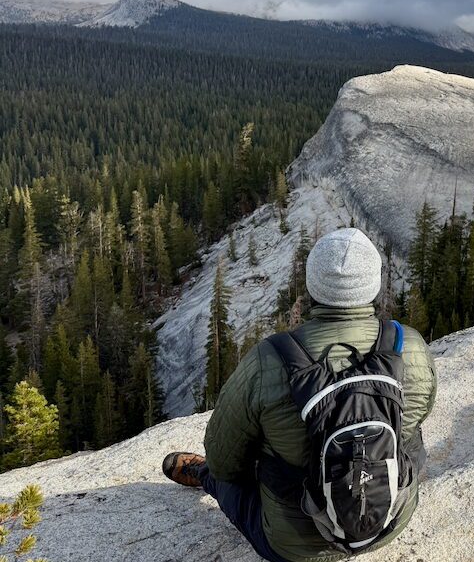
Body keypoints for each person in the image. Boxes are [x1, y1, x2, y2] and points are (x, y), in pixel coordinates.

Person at [162, 228, 437, 561]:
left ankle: (199, 474)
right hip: (389, 522)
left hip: (295, 549)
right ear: (374, 285)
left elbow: (225, 461)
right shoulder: (410, 348)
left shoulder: (270, 360)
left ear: (312, 285)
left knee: (225, 473)